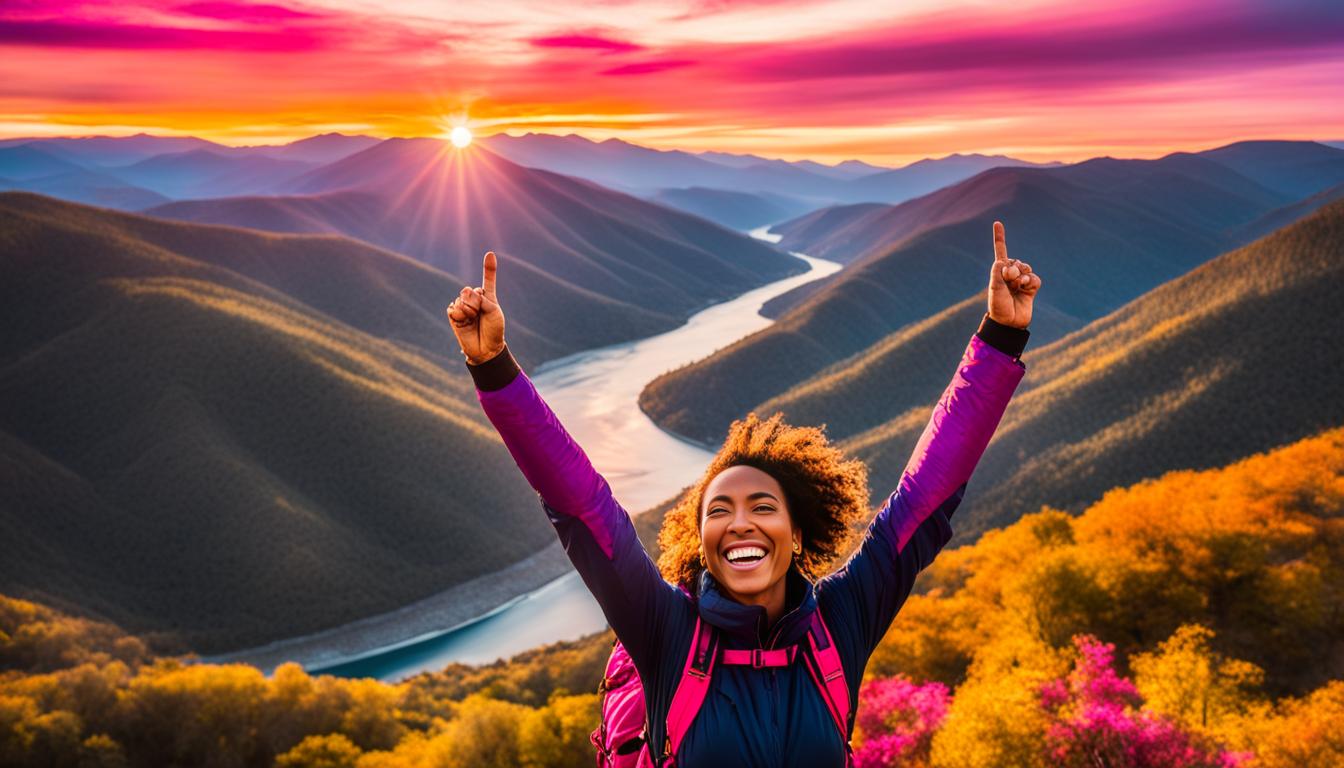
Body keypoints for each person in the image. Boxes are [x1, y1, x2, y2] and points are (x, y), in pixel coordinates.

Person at [446, 221, 1041, 767]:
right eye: (719, 511)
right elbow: (583, 506)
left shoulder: (841, 622)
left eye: (763, 506)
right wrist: (495, 369)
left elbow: (924, 495)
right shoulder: (665, 632)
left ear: (798, 533)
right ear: (702, 541)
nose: (740, 524)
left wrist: (999, 339)